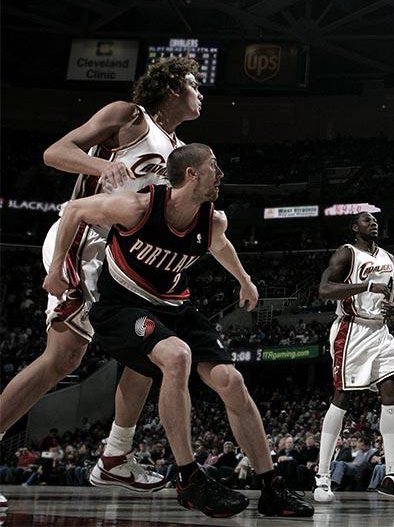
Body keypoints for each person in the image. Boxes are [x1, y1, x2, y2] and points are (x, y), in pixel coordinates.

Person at [41, 144, 313, 519]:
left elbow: (220, 245)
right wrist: (56, 269)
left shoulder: (213, 220)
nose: (220, 174)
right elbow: (74, 210)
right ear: (192, 174)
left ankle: (271, 487)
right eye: (214, 167)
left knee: (231, 380)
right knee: (176, 355)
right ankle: (189, 479)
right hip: (122, 307)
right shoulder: (137, 206)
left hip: (175, 307)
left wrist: (245, 281)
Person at [0, 58, 204, 492]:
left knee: (153, 346)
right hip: (82, 241)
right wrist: (101, 168)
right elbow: (55, 152)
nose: (200, 92)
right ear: (170, 88)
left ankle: (115, 455)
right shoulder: (129, 115)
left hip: (122, 256)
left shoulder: (180, 149)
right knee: (63, 359)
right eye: (193, 84)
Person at [314, 212, 394, 502]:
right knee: (342, 398)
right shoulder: (347, 253)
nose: (372, 222)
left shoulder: (388, 257)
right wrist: (367, 286)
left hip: (380, 331)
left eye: (374, 220)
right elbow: (324, 290)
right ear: (354, 227)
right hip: (352, 331)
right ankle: (322, 477)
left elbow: (390, 297)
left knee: (392, 391)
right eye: (365, 220)